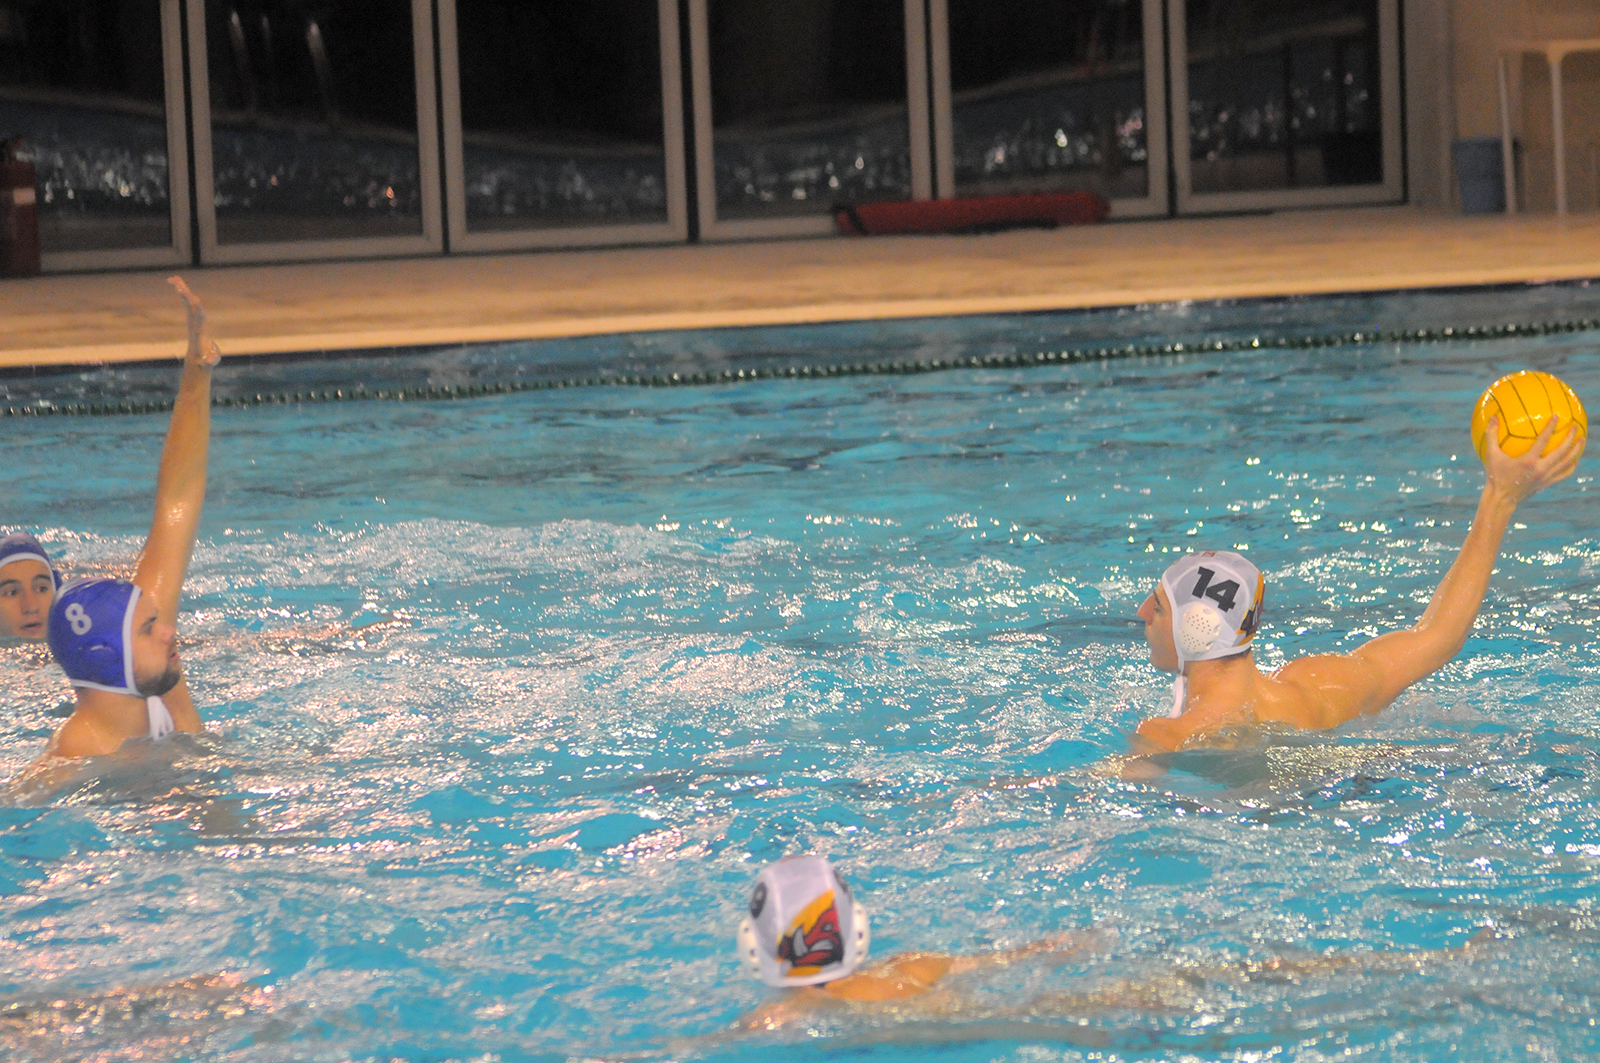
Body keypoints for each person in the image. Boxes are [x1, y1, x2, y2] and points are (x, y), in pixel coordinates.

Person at [1131, 415, 1583, 752]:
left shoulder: (1167, 737)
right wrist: (1500, 497)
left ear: (1198, 629)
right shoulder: (1318, 688)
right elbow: (1438, 636)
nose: (1142, 613)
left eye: (1160, 606)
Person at [728, 856, 1494, 1036]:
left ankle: (1432, 976)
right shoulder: (913, 964)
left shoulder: (783, 1018)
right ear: (857, 929)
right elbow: (1007, 958)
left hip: (1049, 1017)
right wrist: (1058, 943)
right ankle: (1427, 963)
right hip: (1058, 996)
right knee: (1234, 974)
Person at [40, 277, 221, 758]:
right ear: (107, 658)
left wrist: (197, 374)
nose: (169, 630)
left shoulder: (154, 681)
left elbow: (177, 502)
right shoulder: (75, 755)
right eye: (148, 628)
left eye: (155, 621)